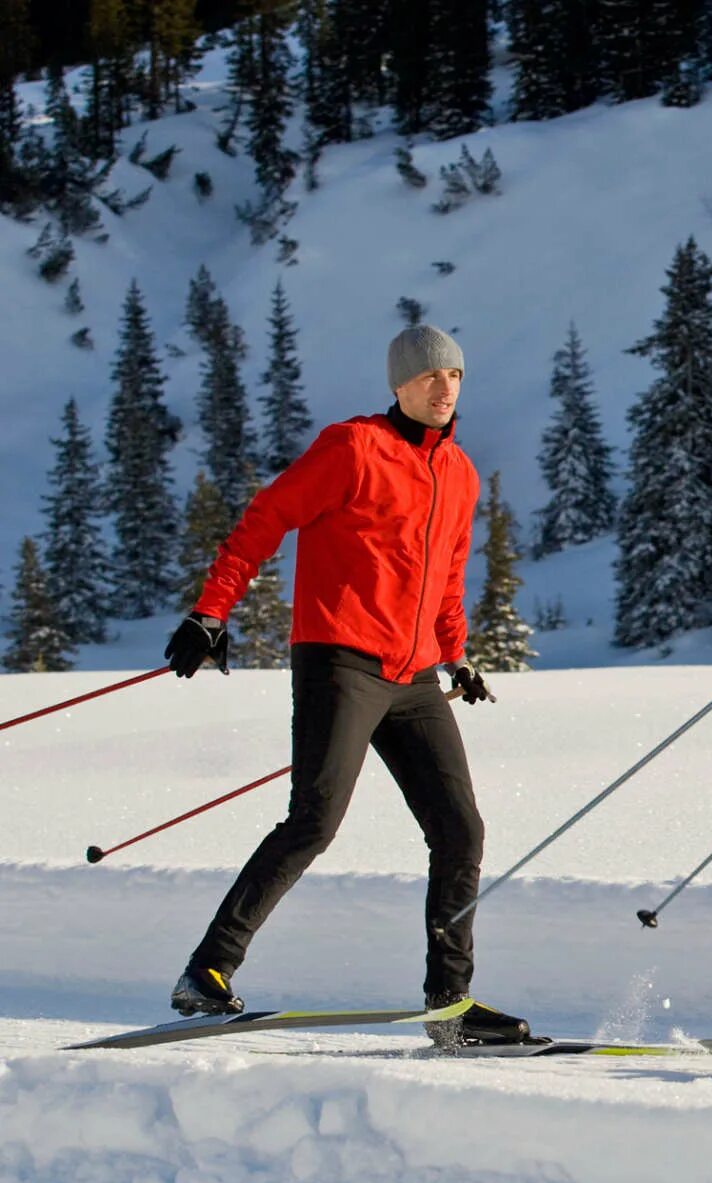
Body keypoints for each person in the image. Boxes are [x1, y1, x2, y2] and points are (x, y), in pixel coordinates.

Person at [163, 325, 528, 1048]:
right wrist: (211, 611)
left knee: (461, 830)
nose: (442, 387)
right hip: (341, 660)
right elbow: (267, 518)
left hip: (415, 675)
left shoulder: (459, 473)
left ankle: (448, 1006)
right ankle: (207, 970)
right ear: (398, 386)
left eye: (453, 375)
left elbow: (448, 575)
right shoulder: (353, 448)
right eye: (427, 377)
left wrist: (455, 656)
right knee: (315, 821)